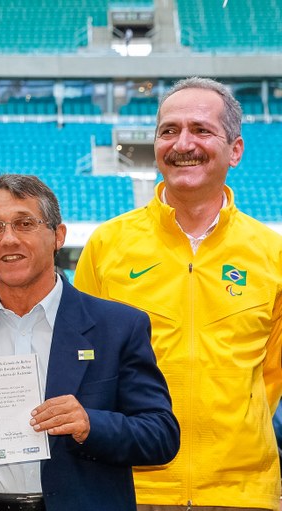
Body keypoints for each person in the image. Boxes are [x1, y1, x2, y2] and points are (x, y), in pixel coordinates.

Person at [74, 77, 282, 510]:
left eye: (201, 130)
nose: (182, 143)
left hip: (241, 494)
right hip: (130, 488)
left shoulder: (272, 254)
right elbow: (84, 368)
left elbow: (270, 377)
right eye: (169, 130)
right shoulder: (107, 245)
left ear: (235, 150)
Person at [0, 174, 179, 511]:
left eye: (25, 223)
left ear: (58, 235)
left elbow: (161, 435)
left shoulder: (118, 326)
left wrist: (90, 424)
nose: (8, 239)